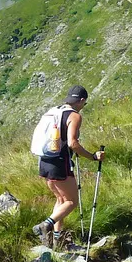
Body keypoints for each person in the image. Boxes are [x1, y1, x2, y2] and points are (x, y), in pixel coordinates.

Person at [32, 85, 103, 250]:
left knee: (61, 200)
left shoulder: (54, 111)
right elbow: (72, 143)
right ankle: (45, 226)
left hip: (44, 161)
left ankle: (57, 240)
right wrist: (92, 156)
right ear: (82, 100)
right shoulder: (74, 116)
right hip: (60, 162)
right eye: (84, 103)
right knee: (71, 202)